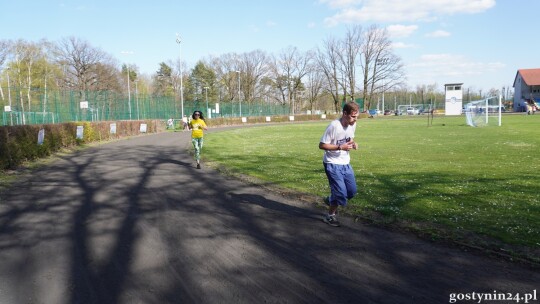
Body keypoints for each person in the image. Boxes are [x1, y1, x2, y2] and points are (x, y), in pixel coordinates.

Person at [319, 101, 360, 227]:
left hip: (345, 163)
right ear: (345, 113)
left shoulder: (353, 124)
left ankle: (331, 199)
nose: (355, 119)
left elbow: (349, 138)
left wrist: (353, 143)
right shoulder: (334, 126)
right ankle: (330, 216)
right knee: (341, 194)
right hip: (332, 164)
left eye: (357, 116)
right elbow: (322, 145)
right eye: (353, 116)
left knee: (352, 192)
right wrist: (339, 147)